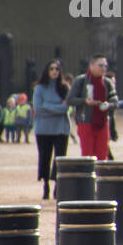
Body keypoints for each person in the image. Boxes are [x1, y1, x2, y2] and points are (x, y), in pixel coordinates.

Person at [67, 55, 118, 160]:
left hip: (103, 123)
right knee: (87, 156)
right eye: (100, 65)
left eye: (105, 66)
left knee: (102, 156)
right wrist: (84, 101)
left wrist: (108, 105)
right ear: (91, 66)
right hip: (85, 123)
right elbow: (70, 99)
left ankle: (100, 176)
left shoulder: (107, 83)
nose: (103, 68)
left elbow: (115, 102)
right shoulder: (80, 81)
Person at [33, 60, 70, 199]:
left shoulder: (64, 88)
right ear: (47, 71)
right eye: (51, 68)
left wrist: (47, 105)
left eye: (57, 69)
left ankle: (57, 185)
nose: (55, 71)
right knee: (45, 157)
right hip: (43, 129)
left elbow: (67, 107)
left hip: (61, 129)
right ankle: (46, 184)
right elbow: (38, 108)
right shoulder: (39, 88)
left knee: (60, 158)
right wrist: (57, 108)